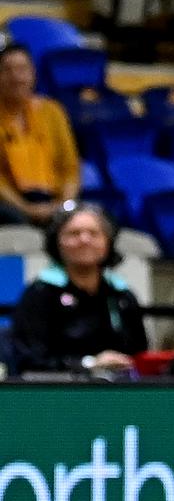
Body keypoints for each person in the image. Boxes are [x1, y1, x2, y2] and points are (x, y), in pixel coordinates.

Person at [11, 202, 147, 374]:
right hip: (59, 393)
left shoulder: (121, 295)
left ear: (108, 242)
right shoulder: (40, 294)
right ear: (57, 242)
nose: (84, 240)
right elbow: (29, 360)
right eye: (74, 234)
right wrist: (88, 364)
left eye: (94, 233)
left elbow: (139, 353)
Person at [0, 41, 80, 226]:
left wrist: (64, 206)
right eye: (7, 70)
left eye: (22, 69)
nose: (16, 78)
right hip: (10, 204)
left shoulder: (53, 111)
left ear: (33, 74)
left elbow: (70, 169)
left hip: (54, 199)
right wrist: (26, 209)